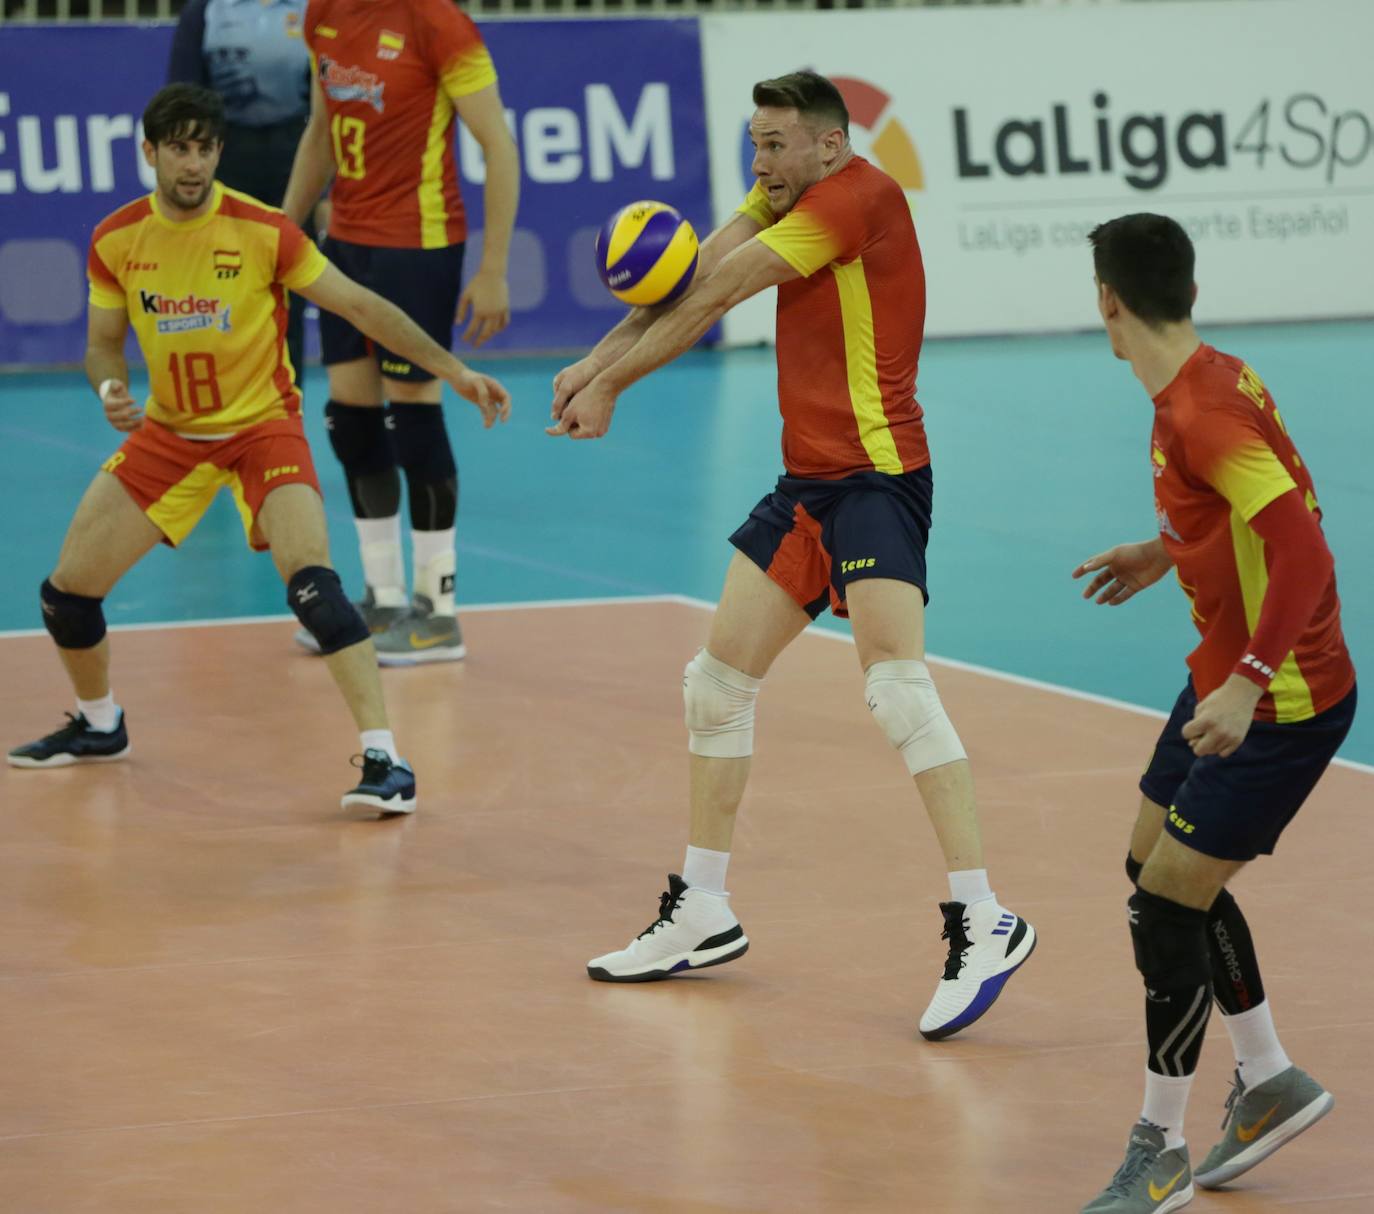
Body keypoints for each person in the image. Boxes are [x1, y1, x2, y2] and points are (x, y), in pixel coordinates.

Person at [550, 71, 1035, 1041]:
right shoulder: (783, 194)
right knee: (714, 684)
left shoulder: (854, 201)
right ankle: (704, 907)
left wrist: (613, 388)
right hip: (807, 484)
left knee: (898, 688)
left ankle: (986, 915)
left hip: (877, 483)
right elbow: (693, 271)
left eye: (775, 145)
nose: (758, 162)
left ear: (829, 144)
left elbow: (722, 291)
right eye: (753, 143)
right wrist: (593, 358)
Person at [5, 85, 510, 816]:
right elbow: (101, 346)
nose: (193, 162)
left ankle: (386, 760)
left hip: (260, 429)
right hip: (169, 436)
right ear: (149, 152)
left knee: (314, 586)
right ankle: (100, 723)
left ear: (219, 151)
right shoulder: (117, 239)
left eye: (205, 146)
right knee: (65, 597)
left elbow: (361, 307)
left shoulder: (264, 230)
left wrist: (454, 371)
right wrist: (111, 388)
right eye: (178, 147)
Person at [1073, 213, 1356, 1212]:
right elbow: (1252, 509)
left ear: (1108, 297)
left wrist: (1245, 677)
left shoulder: (1200, 412)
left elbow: (1306, 551)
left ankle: (1159, 1145)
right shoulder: (1207, 377)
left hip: (1276, 698)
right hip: (1227, 673)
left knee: (1165, 900)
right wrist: (1169, 549)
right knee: (1153, 867)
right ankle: (1270, 1075)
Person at [281, 0, 519, 665]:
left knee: (414, 418)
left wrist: (493, 268)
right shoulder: (322, 13)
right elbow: (321, 130)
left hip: (419, 244)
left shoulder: (435, 20)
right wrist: (283, 227)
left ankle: (437, 611)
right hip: (345, 245)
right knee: (352, 420)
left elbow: (498, 147)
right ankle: (382, 595)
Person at [168, 0, 314, 385]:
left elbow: (328, 99)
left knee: (289, 288)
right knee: (217, 289)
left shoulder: (313, 8)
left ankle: (285, 402)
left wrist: (327, 191)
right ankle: (220, 398)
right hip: (223, 159)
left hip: (296, 159)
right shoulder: (204, 12)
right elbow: (181, 98)